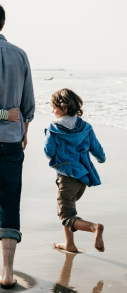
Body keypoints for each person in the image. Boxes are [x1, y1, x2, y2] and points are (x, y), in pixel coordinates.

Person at [44, 88, 106, 253]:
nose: (52, 111)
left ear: (63, 108)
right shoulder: (85, 127)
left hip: (67, 176)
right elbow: (98, 151)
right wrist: (101, 159)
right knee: (69, 209)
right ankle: (69, 244)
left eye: (54, 107)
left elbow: (48, 152)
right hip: (83, 176)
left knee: (66, 215)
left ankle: (94, 227)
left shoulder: (53, 128)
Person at [0, 5, 35, 289]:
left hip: (12, 137)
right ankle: (8, 272)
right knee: (10, 202)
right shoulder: (20, 54)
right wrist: (22, 130)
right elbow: (27, 106)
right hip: (11, 140)